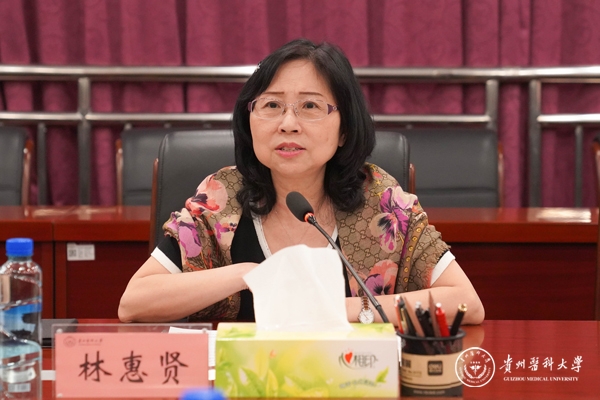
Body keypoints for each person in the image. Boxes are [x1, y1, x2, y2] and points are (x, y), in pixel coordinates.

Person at [118, 38, 484, 326]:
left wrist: (339, 309)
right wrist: (248, 274)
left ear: (344, 129)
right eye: (271, 105)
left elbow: (466, 302)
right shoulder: (221, 197)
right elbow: (134, 303)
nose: (288, 124)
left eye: (310, 106)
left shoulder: (381, 201)